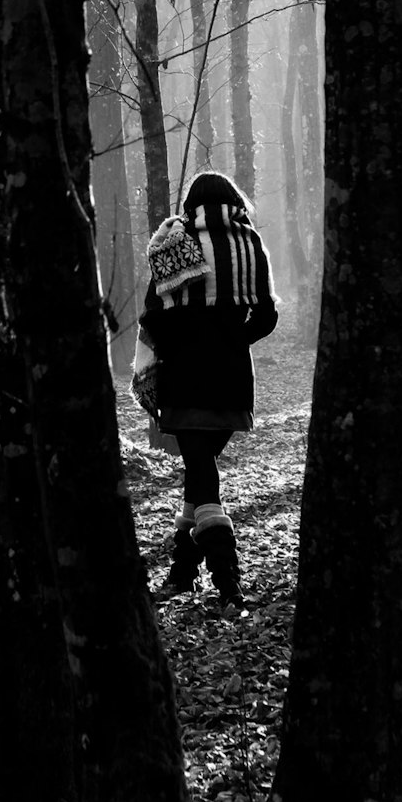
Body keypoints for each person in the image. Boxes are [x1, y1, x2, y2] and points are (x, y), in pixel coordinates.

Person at [132, 170, 279, 611]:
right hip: (232, 381)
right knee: (200, 473)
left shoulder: (174, 242)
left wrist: (175, 344)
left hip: (184, 379)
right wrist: (233, 340)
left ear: (191, 204)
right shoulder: (251, 245)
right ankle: (182, 574)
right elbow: (267, 316)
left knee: (203, 480)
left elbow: (153, 315)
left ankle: (228, 582)